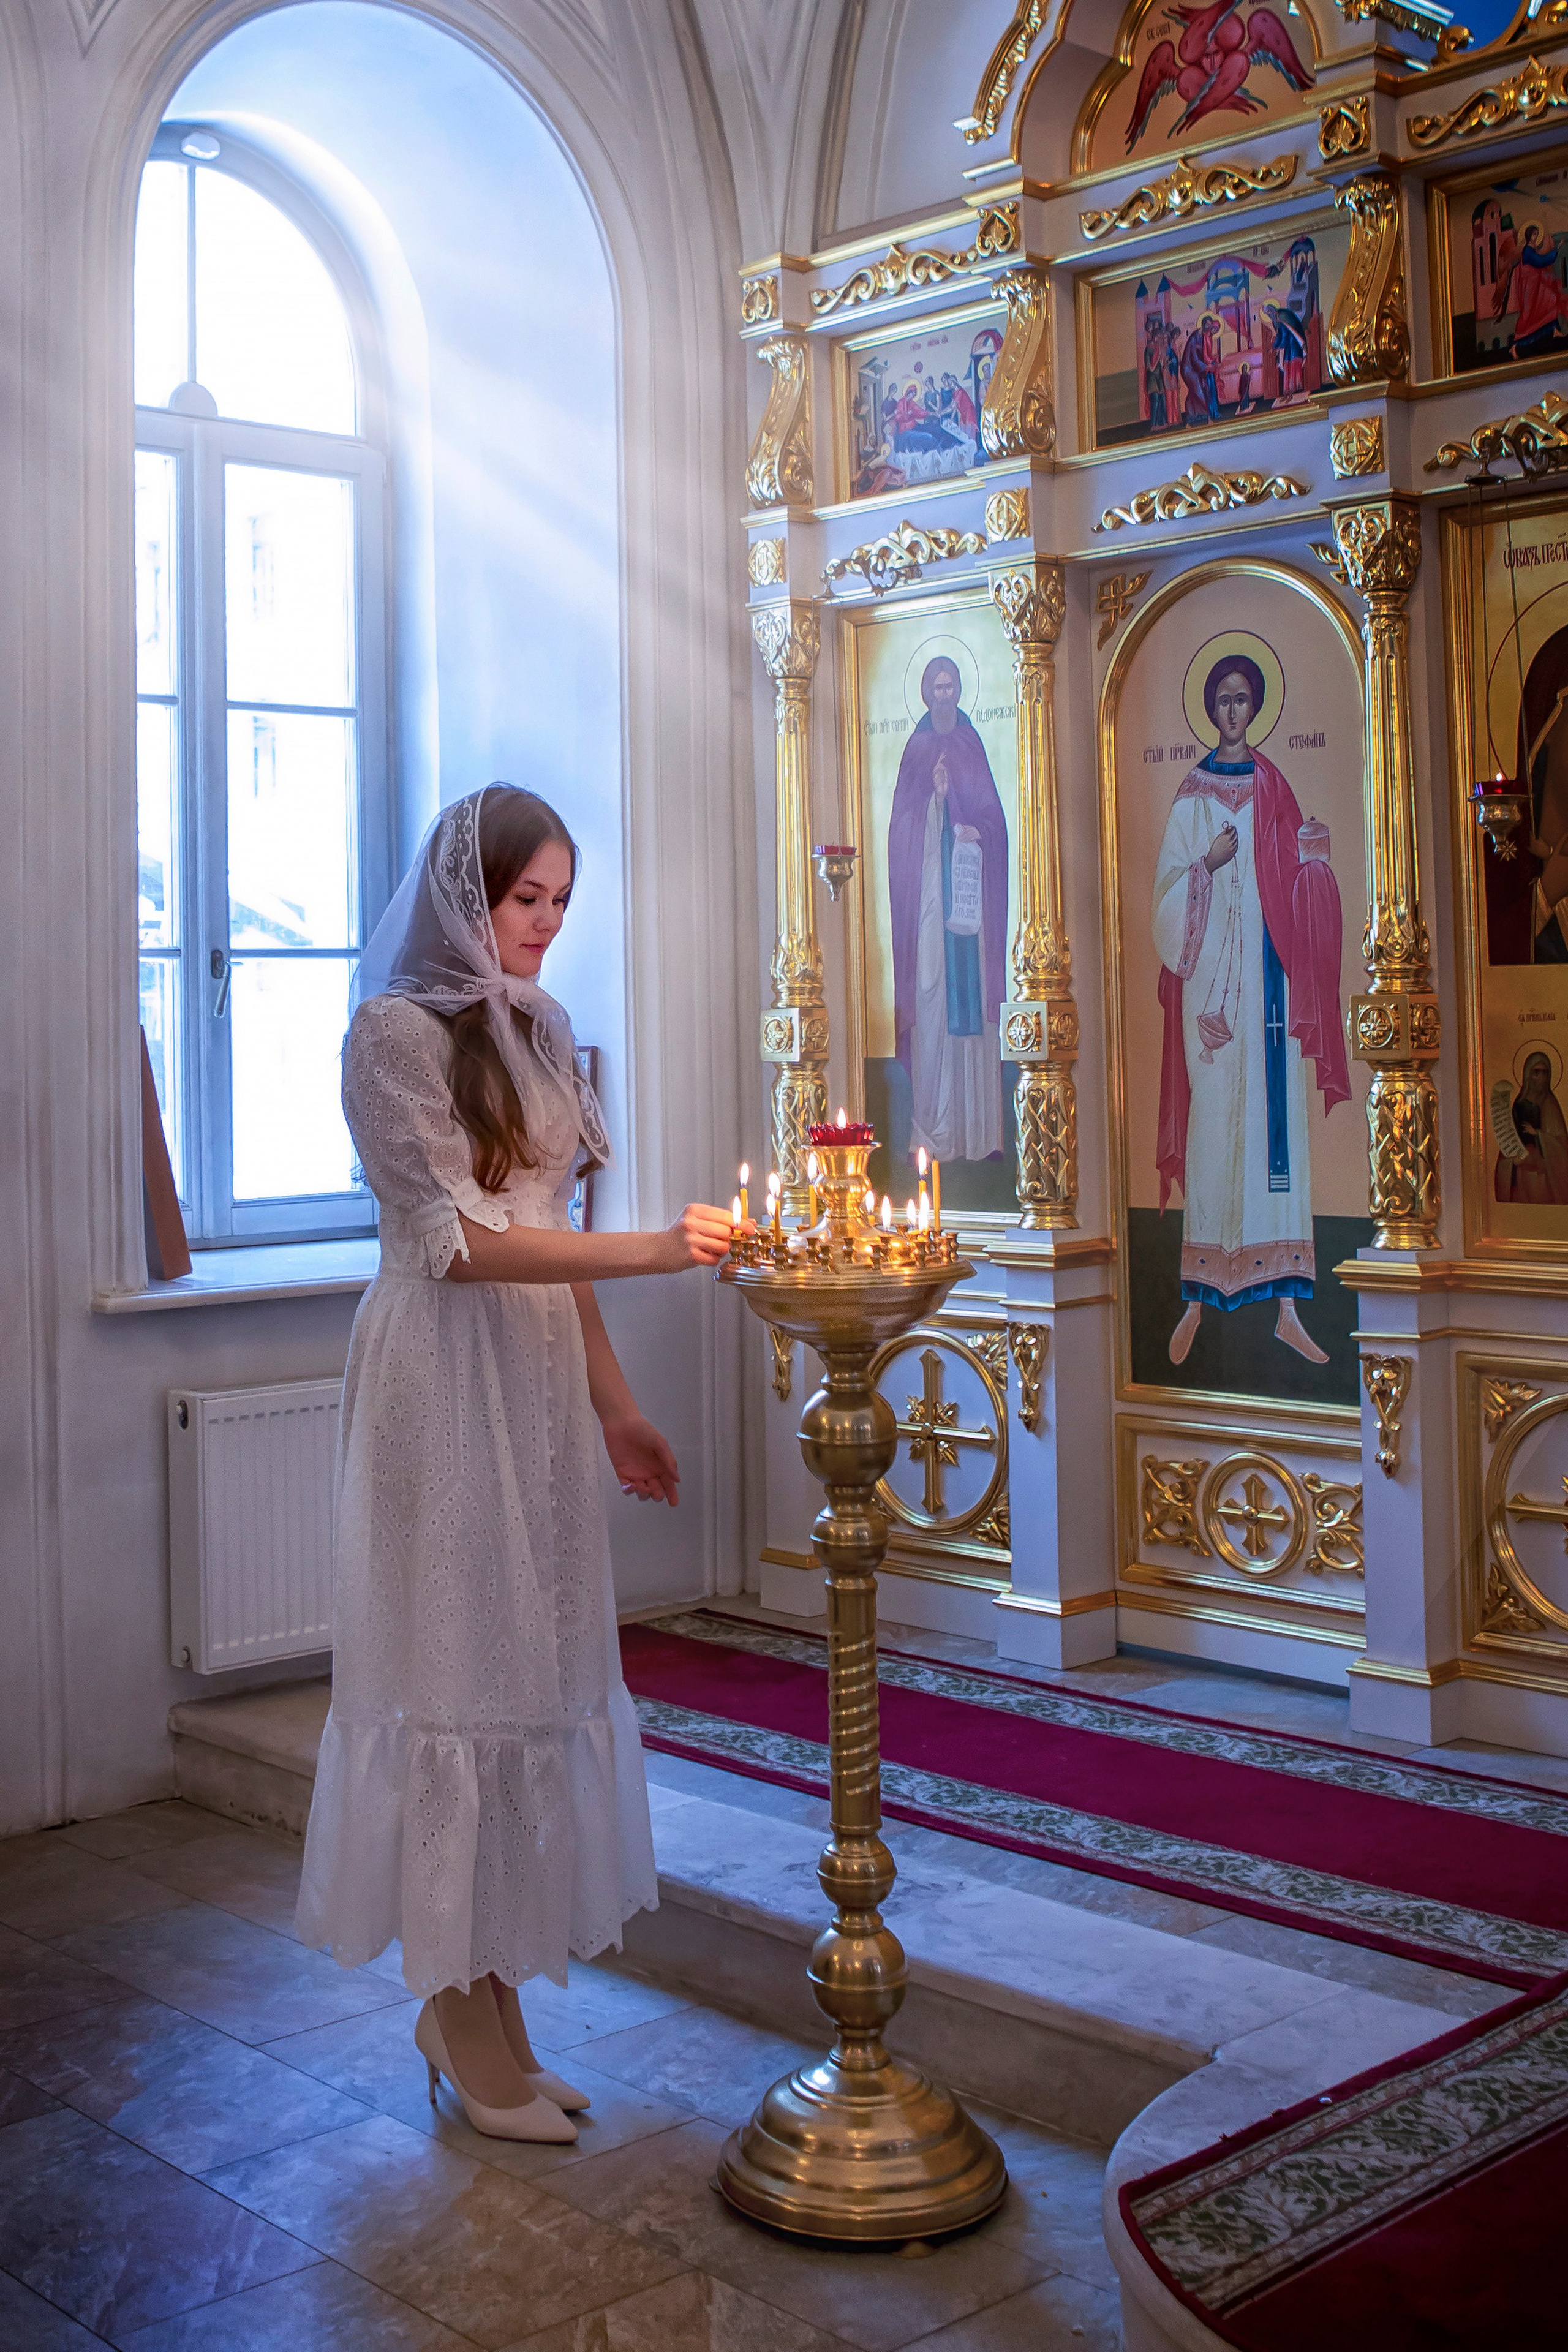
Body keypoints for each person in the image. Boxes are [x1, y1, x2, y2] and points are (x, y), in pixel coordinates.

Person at [295, 784, 735, 2143]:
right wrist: (656, 1247)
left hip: (536, 1387)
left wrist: (615, 1407)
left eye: (557, 901)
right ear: (462, 894)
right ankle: (449, 2000)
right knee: (451, 1673)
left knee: (530, 1674)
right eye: (521, 898)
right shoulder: (387, 1037)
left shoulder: (536, 1031)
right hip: (441, 1378)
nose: (541, 926)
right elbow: (459, 1247)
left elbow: (542, 1231)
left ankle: (492, 2012)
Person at [1152, 656, 1350, 1366]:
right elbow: (1164, 909)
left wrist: (1314, 865)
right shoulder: (1190, 797)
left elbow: (1297, 894)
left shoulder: (1274, 787)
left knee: (1277, 1143)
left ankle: (1287, 1308)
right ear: (1210, 709)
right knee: (1210, 1135)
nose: (1233, 712)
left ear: (1255, 708)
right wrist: (1203, 864)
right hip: (1210, 995)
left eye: (1244, 701)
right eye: (1223, 701)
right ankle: (1197, 1304)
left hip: (1268, 989)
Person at [888, 657, 1008, 1163]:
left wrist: (974, 829)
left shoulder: (972, 745)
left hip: (968, 902)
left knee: (972, 1009)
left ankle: (979, 1137)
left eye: (951, 686)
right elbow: (901, 833)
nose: (943, 695)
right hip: (930, 906)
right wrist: (936, 801)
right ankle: (935, 1132)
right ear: (925, 693)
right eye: (936, 687)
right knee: (932, 998)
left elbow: (995, 823)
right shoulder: (916, 750)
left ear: (959, 691)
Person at [1494, 1049, 1568, 1204]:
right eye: (1536, 1072)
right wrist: (1511, 1162)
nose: (1541, 1078)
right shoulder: (1519, 1105)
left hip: (1543, 1177)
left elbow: (1562, 1147)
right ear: (1528, 1074)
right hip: (1521, 1175)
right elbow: (1508, 1141)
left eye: (1545, 1073)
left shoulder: (1550, 1105)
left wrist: (1539, 1135)